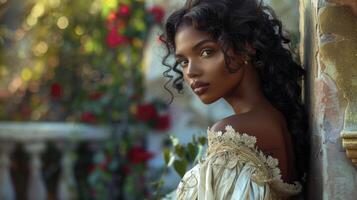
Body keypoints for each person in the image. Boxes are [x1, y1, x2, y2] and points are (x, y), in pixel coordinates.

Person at [159, 0, 309, 199]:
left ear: (246, 47)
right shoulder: (276, 119)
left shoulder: (233, 133)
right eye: (183, 62)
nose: (191, 72)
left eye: (206, 52)